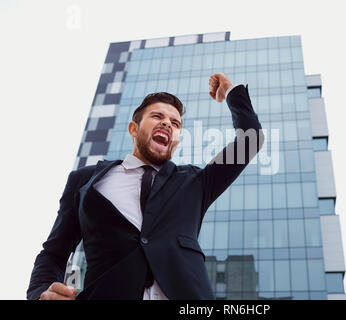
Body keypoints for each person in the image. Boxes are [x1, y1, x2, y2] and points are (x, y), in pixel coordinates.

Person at [27, 73, 264, 300]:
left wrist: (231, 92)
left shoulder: (196, 182)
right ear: (133, 129)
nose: (167, 124)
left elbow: (250, 139)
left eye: (175, 123)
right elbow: (53, 254)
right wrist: (40, 293)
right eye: (157, 116)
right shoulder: (84, 181)